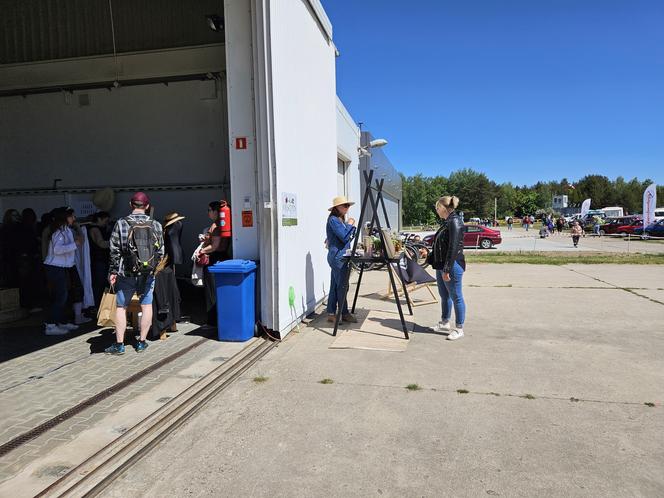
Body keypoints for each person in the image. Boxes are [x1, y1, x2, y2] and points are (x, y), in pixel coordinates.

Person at [106, 192, 164, 354]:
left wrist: (113, 270)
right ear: (147, 206)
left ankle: (119, 345)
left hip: (126, 271)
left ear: (131, 205)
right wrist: (153, 268)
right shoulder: (156, 225)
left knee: (121, 307)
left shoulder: (121, 223)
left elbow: (114, 250)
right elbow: (161, 251)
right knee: (146, 306)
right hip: (148, 272)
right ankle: (141, 342)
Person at [43, 208, 88, 335]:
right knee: (60, 297)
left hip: (63, 267)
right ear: (65, 217)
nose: (74, 219)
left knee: (64, 296)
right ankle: (50, 325)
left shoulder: (66, 230)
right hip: (55, 267)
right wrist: (75, 244)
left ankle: (61, 321)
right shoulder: (59, 232)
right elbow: (57, 250)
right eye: (72, 216)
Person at [430, 196, 466, 340]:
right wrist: (429, 254)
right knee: (444, 296)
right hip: (442, 264)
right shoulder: (447, 222)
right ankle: (445, 322)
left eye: (438, 208)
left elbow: (453, 248)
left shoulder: (455, 222)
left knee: (456, 296)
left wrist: (446, 270)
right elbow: (441, 245)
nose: (437, 211)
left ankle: (459, 328)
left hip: (452, 265)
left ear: (444, 208)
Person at [195, 202, 231, 327]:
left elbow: (215, 246)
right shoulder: (223, 224)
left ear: (216, 211)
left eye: (209, 210)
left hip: (214, 259)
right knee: (219, 290)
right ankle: (219, 318)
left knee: (211, 291)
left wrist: (201, 251)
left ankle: (212, 321)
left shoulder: (216, 226)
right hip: (223, 258)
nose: (208, 212)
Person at [325, 196, 357, 323]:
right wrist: (350, 225)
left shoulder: (338, 220)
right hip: (338, 258)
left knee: (335, 285)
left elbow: (345, 238)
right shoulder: (334, 220)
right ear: (337, 207)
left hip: (338, 256)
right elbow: (344, 237)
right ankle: (344, 313)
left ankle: (331, 313)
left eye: (348, 205)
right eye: (345, 205)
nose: (347, 208)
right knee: (342, 286)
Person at [87, 211, 111, 306]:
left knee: (100, 283)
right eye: (106, 221)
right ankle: (97, 305)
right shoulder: (95, 229)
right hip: (99, 260)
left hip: (100, 259)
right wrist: (114, 242)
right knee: (99, 283)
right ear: (99, 219)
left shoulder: (97, 228)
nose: (107, 223)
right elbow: (101, 243)